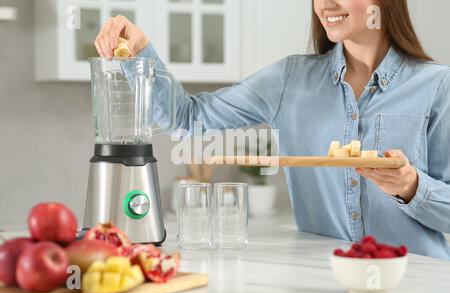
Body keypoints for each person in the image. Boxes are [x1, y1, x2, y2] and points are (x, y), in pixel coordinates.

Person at [95, 0, 450, 260]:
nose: (325, 4)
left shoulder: (437, 86)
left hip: (418, 285)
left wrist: (411, 187)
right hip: (323, 285)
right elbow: (188, 119)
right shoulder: (290, 80)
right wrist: (140, 52)